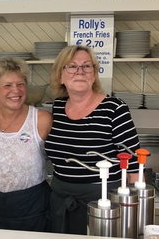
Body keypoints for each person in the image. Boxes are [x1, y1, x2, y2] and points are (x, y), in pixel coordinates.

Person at [45, 45, 140, 235]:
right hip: (60, 200)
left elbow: (134, 168)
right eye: (72, 66)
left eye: (87, 66)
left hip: (103, 204)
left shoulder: (114, 109)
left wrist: (129, 216)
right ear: (60, 76)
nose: (80, 71)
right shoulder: (57, 107)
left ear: (94, 74)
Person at [0, 57, 53, 231]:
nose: (15, 91)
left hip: (31, 210)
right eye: (7, 85)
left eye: (20, 84)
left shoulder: (41, 120)